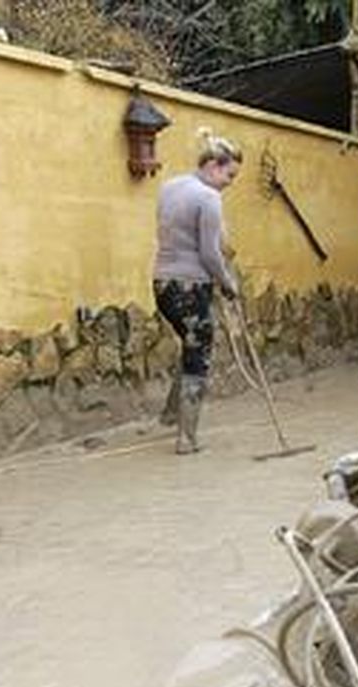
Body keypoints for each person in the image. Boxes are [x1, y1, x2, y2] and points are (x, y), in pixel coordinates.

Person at [153, 128, 242, 454]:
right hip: (191, 287)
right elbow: (209, 253)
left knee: (190, 343)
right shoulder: (208, 197)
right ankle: (186, 438)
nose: (230, 182)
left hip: (162, 285)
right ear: (214, 165)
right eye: (229, 174)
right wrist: (228, 283)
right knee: (199, 355)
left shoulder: (169, 187)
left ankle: (170, 415)